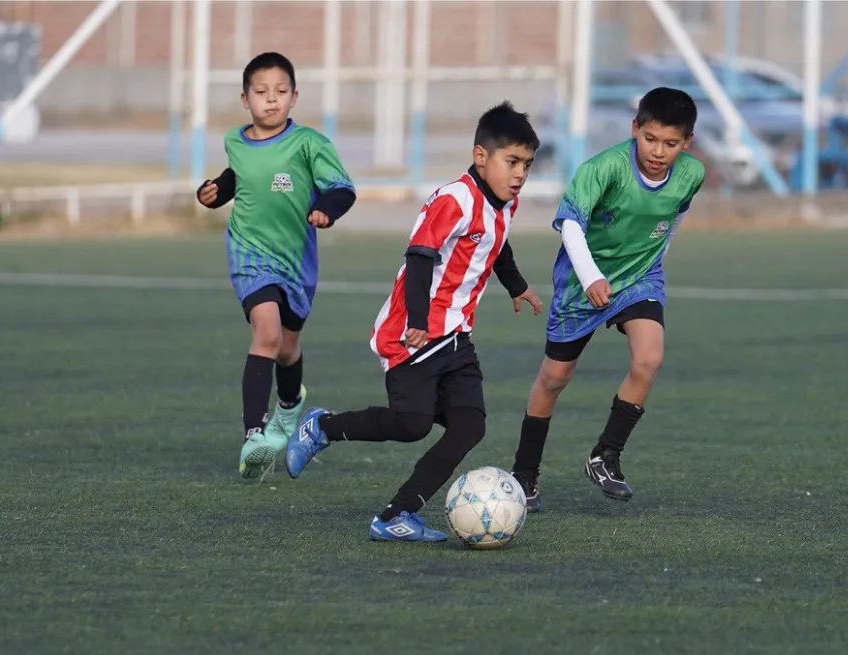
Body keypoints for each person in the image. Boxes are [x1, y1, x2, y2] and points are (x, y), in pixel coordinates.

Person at [284, 101, 543, 542]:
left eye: (528, 165)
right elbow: (420, 256)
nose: (520, 174)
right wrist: (420, 321)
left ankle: (395, 515)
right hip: (413, 331)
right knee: (412, 425)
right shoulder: (454, 198)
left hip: (457, 335)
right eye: (512, 162)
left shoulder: (504, 204)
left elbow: (497, 246)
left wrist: (516, 285)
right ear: (481, 156)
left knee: (469, 426)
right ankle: (322, 427)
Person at [509, 87, 705, 512]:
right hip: (583, 282)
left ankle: (605, 455)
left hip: (639, 277)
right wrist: (592, 276)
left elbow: (676, 214)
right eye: (650, 139)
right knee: (554, 379)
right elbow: (571, 226)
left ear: (686, 143)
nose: (658, 151)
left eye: (671, 144)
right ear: (635, 129)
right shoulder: (603, 168)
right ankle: (525, 473)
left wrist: (658, 254)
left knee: (648, 359)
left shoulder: (692, 173)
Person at [196, 52, 356, 480]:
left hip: (296, 261)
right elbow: (238, 176)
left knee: (287, 348)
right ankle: (254, 434)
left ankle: (289, 407)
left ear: (295, 97)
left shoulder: (309, 144)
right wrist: (213, 190)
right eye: (261, 92)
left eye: (281, 92)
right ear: (245, 99)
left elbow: (342, 188)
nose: (272, 100)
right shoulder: (236, 140)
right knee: (266, 333)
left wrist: (326, 209)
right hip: (249, 253)